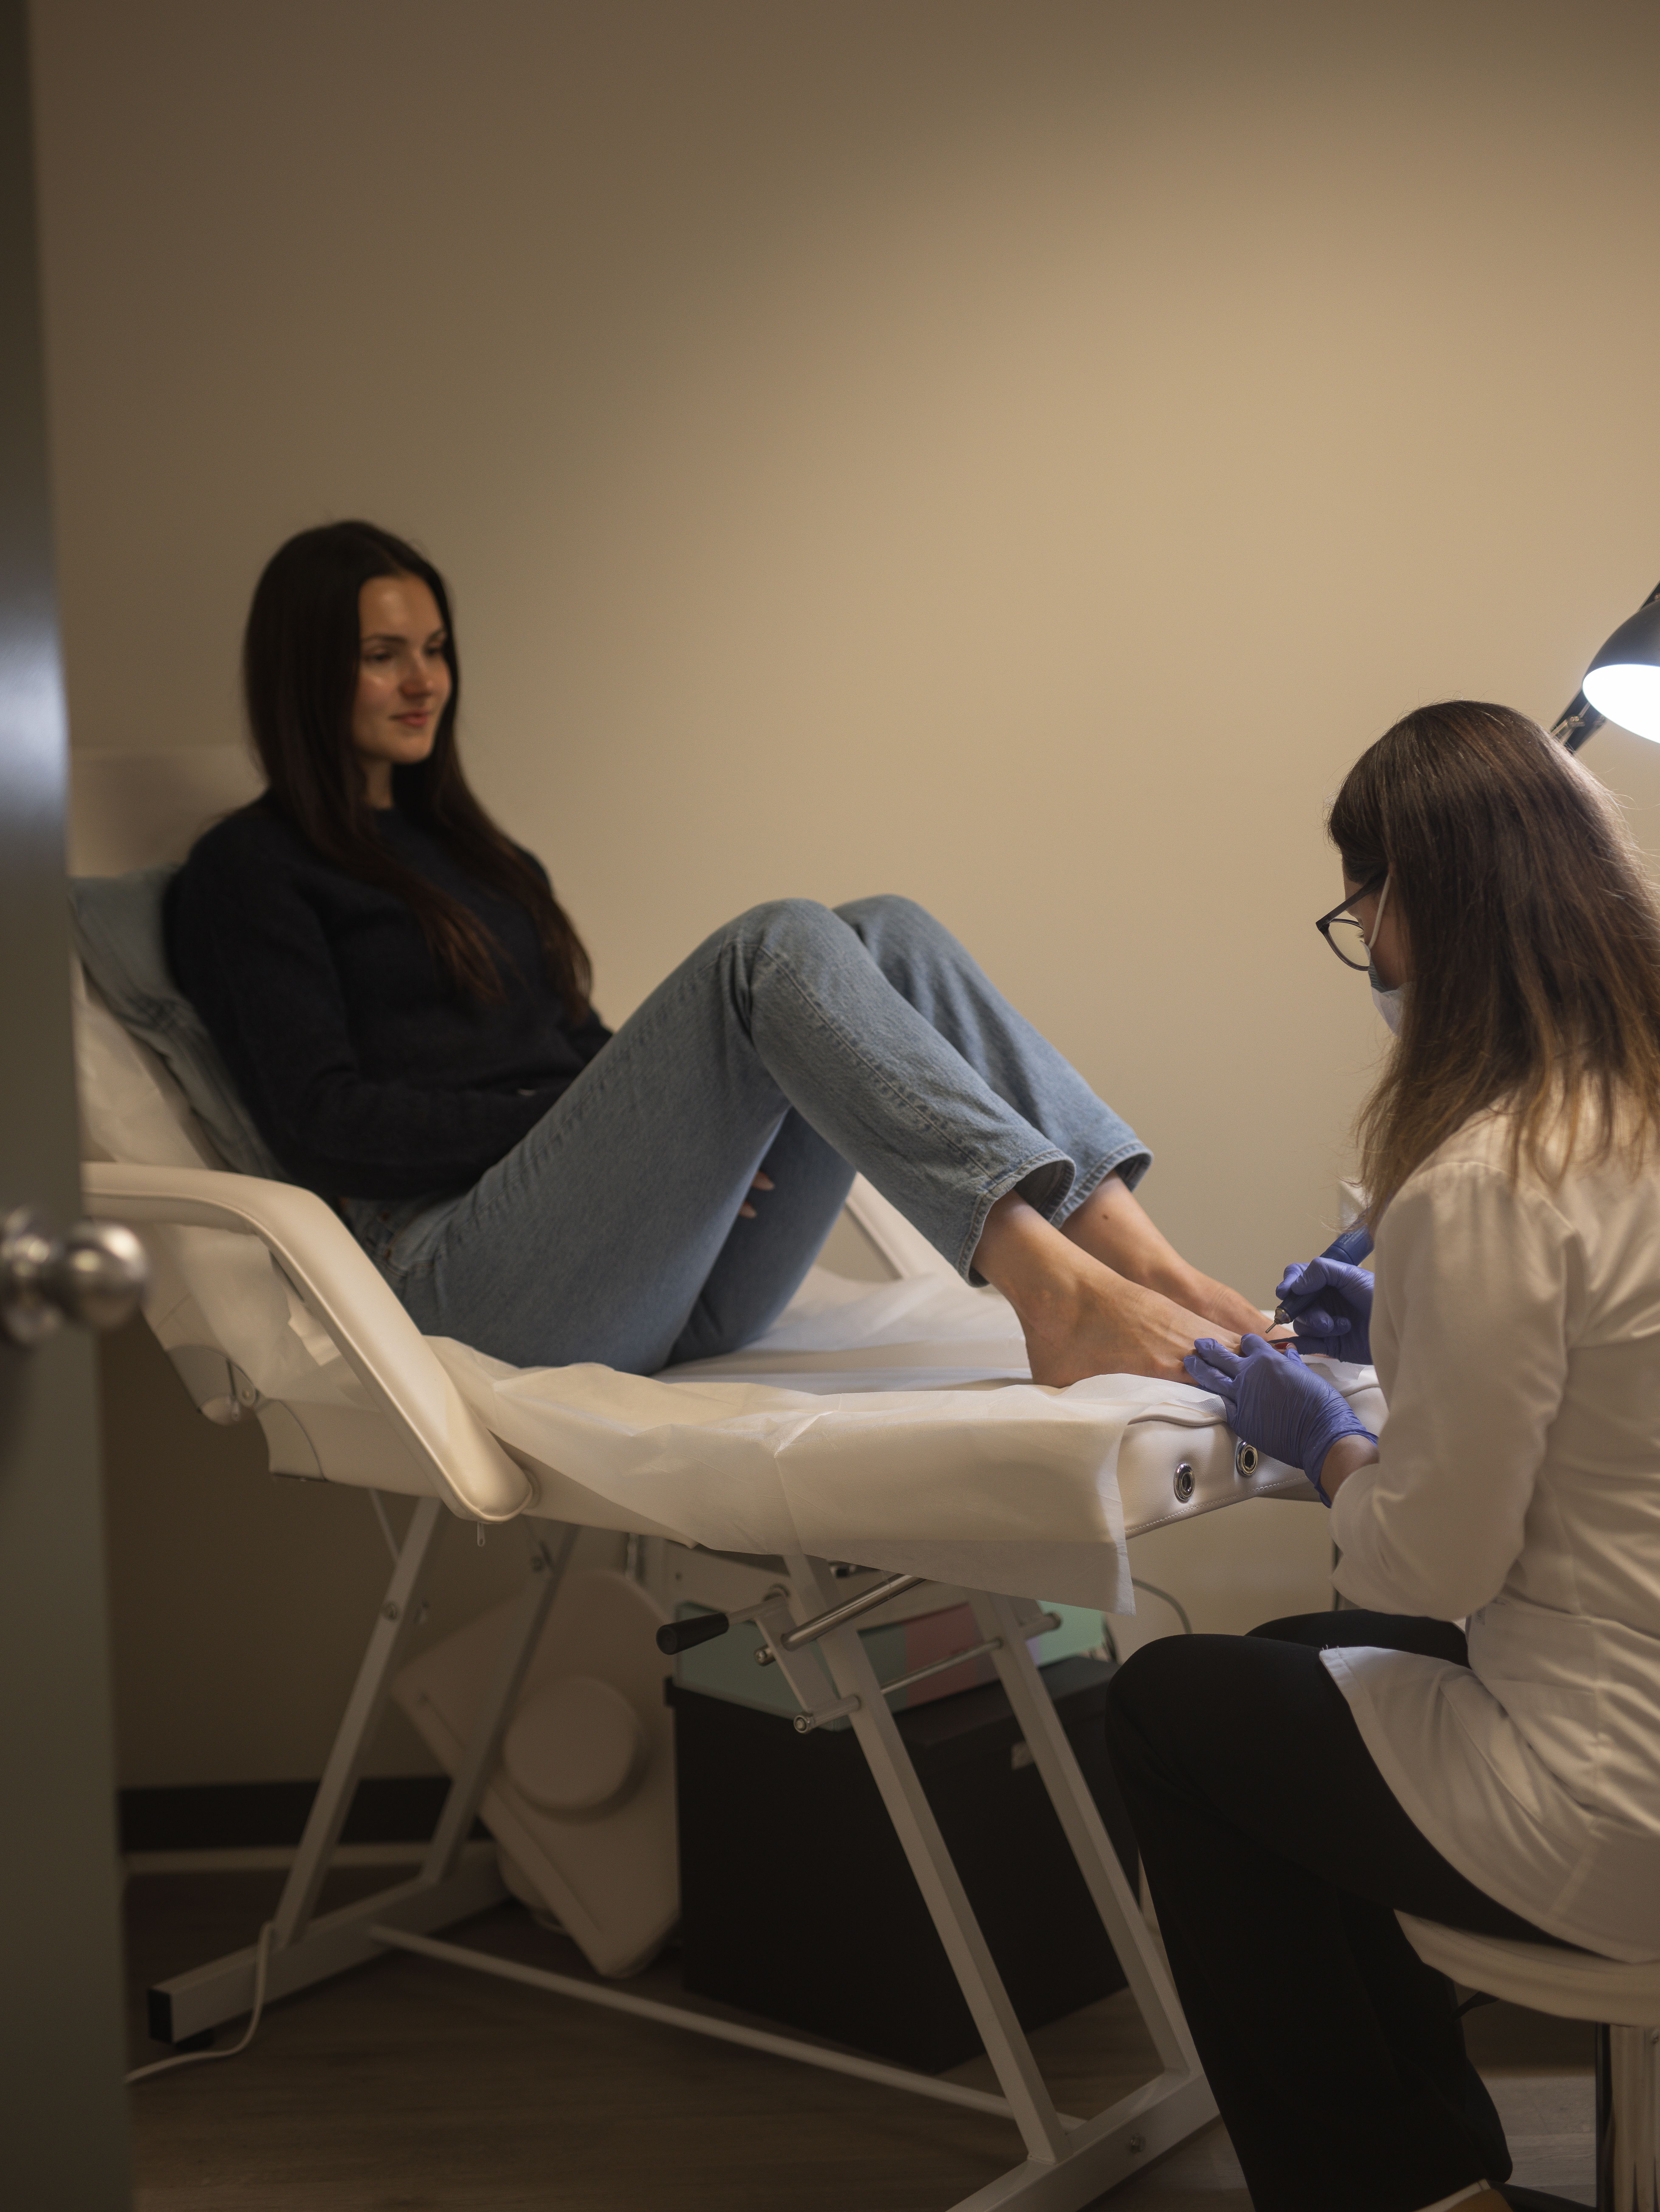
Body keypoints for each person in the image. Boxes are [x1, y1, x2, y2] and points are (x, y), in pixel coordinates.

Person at [166, 519, 1264, 1385]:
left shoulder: (486, 861)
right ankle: (1056, 1298)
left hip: (656, 1286)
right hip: (460, 1284)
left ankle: (1152, 1268)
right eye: (382, 656)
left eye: (437, 650)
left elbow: (586, 1055)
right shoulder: (247, 874)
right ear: (310, 673)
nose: (424, 681)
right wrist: (575, 1133)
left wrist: (668, 1155)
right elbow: (323, 1125)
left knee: (884, 929)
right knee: (773, 947)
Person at [1104, 699, 1660, 2212]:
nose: (1371, 952)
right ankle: (1431, 2166)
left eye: (1365, 910)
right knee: (1304, 1659)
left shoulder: (1489, 1175)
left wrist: (1333, 1433)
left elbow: (1440, 1556)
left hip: (1621, 1802)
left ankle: (1395, 2187)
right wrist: (1410, 1337)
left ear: (1414, 905)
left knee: (1168, 1709)